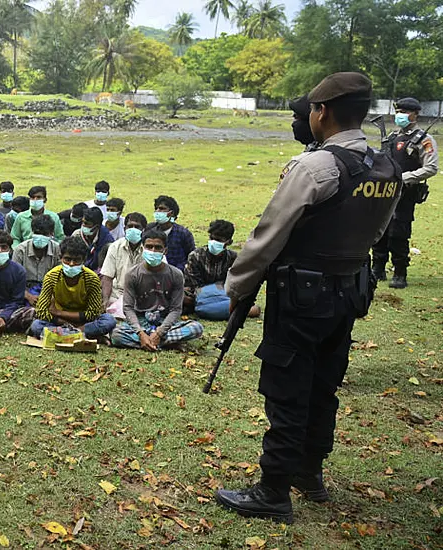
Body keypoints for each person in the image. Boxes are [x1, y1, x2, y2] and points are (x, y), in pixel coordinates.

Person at [216, 72, 403, 523]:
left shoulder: (316, 167)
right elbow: (378, 232)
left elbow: (268, 236)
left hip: (300, 296)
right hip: (348, 292)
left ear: (321, 112)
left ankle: (273, 490)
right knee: (324, 386)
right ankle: (309, 473)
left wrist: (237, 288)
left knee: (288, 389)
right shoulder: (384, 166)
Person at [372, 97, 438, 289]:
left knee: (398, 233)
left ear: (415, 114)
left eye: (405, 112)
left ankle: (400, 271)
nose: (400, 115)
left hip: (405, 193)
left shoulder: (423, 139)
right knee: (379, 230)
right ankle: (378, 267)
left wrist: (404, 177)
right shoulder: (391, 137)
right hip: (384, 192)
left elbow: (431, 167)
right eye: (398, 111)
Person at [110, 229, 204, 349]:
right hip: (141, 321)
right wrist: (140, 332)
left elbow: (176, 310)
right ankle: (163, 343)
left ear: (165, 250)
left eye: (157, 247)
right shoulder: (133, 274)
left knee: (196, 328)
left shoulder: (175, 274)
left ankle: (149, 342)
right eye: (149, 247)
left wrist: (160, 332)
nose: (153, 251)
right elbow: (128, 308)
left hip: (165, 321)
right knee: (116, 334)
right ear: (143, 248)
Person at [28, 236, 116, 341]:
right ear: (60, 258)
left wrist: (58, 313)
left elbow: (93, 313)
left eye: (77, 260)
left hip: (82, 321)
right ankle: (80, 334)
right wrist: (67, 323)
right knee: (37, 325)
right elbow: (42, 311)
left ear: (84, 260)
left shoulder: (92, 278)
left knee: (109, 320)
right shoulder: (51, 276)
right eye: (67, 259)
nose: (71, 264)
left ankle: (63, 335)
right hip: (60, 321)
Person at [183, 219, 258, 321]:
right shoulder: (196, 256)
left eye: (218, 240)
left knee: (249, 304)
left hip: (223, 295)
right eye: (212, 238)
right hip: (199, 295)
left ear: (229, 242)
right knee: (184, 298)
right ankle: (235, 310)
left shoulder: (233, 258)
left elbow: (235, 284)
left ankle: (215, 309)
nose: (214, 242)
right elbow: (194, 285)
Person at [100, 213, 146, 317]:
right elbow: (107, 277)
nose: (133, 229)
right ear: (124, 228)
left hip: (142, 296)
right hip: (117, 294)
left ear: (144, 229)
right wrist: (105, 301)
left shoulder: (150, 249)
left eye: (137, 227)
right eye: (130, 226)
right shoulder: (115, 247)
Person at [12, 214, 61, 307]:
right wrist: (28, 296)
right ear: (32, 232)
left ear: (51, 234)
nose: (40, 237)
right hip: (25, 291)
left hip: (50, 291)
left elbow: (60, 278)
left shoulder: (57, 249)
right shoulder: (20, 250)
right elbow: (13, 280)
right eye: (37, 233)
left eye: (44, 234)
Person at [147, 195, 194, 271]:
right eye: (156, 208)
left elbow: (191, 257)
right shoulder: (149, 230)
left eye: (162, 209)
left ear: (171, 213)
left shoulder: (183, 233)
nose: (158, 211)